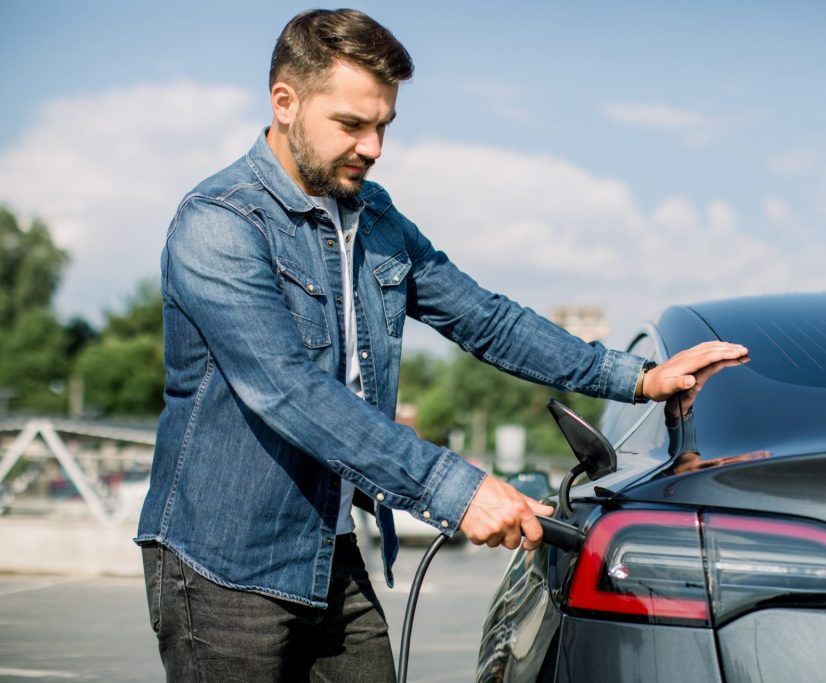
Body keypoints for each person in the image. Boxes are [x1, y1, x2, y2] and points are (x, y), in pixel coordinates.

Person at [134, 8, 747, 682]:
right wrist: (456, 489)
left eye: (384, 126)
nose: (373, 147)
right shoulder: (218, 223)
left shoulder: (376, 218)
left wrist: (639, 377)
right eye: (351, 124)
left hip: (326, 550)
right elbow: (291, 390)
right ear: (285, 102)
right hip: (222, 563)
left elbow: (486, 318)